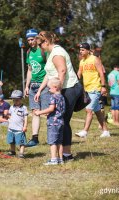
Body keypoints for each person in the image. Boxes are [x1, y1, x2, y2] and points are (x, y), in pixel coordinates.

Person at [35, 31, 82, 162]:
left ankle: (66, 154)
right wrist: (40, 90)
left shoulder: (57, 53)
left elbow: (62, 70)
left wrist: (58, 90)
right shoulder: (51, 54)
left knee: (63, 121)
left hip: (69, 88)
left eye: (40, 44)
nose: (39, 48)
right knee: (63, 121)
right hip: (63, 88)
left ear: (46, 42)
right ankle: (63, 155)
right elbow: (49, 74)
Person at [75, 43, 110, 138]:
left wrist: (103, 86)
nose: (80, 52)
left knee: (89, 110)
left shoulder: (95, 59)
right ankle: (106, 132)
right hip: (87, 89)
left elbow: (101, 73)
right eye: (80, 50)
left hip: (95, 88)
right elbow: (79, 73)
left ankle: (84, 132)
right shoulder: (82, 61)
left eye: (82, 50)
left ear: (87, 50)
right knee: (98, 112)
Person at [24, 29, 49, 147]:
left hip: (44, 85)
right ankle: (35, 138)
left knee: (48, 112)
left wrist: (42, 88)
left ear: (37, 39)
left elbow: (49, 70)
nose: (30, 42)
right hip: (33, 86)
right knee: (35, 112)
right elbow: (29, 70)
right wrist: (27, 86)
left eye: (32, 39)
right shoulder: (29, 52)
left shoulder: (44, 51)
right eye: (28, 40)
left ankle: (52, 137)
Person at [35, 78, 65, 165]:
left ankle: (53, 159)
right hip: (60, 122)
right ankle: (60, 159)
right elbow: (58, 109)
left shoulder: (53, 97)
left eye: (50, 88)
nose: (48, 89)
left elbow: (51, 108)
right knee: (59, 142)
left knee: (52, 142)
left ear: (55, 87)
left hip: (53, 123)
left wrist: (39, 112)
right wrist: (48, 113)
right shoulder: (62, 97)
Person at [7, 90, 28, 158]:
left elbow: (26, 118)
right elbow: (10, 115)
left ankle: (21, 153)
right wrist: (7, 115)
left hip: (19, 129)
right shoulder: (11, 107)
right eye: (14, 100)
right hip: (11, 128)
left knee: (21, 142)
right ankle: (13, 151)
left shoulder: (24, 108)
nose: (15, 101)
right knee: (11, 141)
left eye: (17, 100)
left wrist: (25, 126)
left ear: (21, 99)